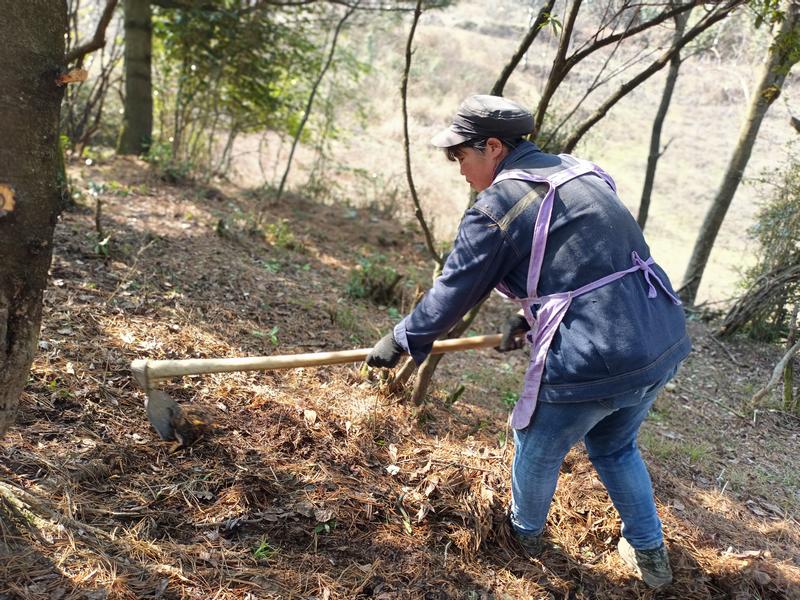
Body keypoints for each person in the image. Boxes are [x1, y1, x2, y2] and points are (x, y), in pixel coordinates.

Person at [365, 94, 690, 589]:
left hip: (597, 352)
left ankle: (524, 542)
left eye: (461, 156)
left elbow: (454, 291)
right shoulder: (576, 173)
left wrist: (404, 337)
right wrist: (535, 317)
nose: (459, 170)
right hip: (660, 336)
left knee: (535, 444)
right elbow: (590, 265)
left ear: (492, 146)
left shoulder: (499, 205)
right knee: (614, 444)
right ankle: (651, 557)